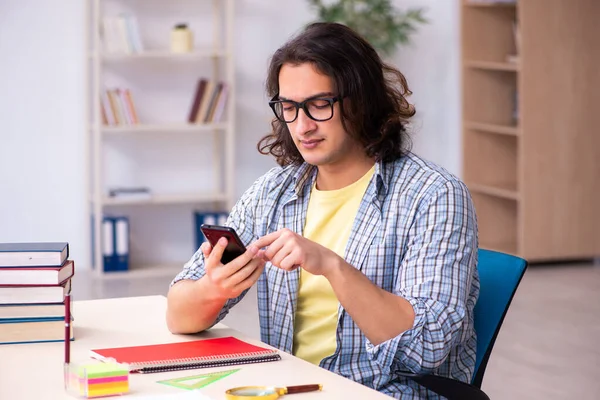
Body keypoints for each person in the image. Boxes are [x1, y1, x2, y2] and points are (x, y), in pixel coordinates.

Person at [166, 22, 479, 399]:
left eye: (319, 104)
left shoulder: (434, 195)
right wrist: (212, 289)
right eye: (289, 107)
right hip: (293, 388)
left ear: (360, 100)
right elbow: (178, 316)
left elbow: (427, 349)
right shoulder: (271, 193)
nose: (302, 125)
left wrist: (331, 265)